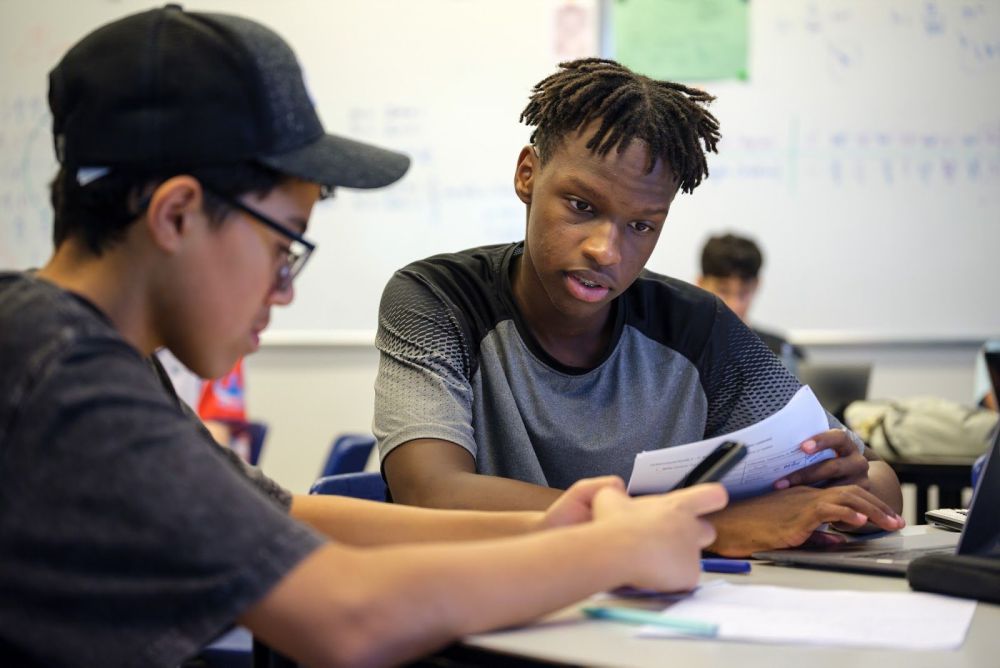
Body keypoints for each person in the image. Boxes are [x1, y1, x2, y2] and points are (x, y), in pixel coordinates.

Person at [0, 9, 728, 666]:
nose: (283, 289)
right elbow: (349, 617)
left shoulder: (81, 351)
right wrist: (608, 551)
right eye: (283, 248)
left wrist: (554, 530)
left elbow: (285, 515)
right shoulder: (63, 380)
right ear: (177, 215)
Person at [374, 58, 905, 556]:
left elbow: (879, 483)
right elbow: (431, 492)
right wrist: (706, 526)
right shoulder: (437, 300)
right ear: (527, 174)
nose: (605, 250)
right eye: (582, 206)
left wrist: (843, 482)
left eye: (641, 226)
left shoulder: (698, 328)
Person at [696, 232, 804, 367]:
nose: (733, 305)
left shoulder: (782, 353)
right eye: (723, 291)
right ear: (700, 283)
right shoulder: (682, 351)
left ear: (757, 285)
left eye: (743, 292)